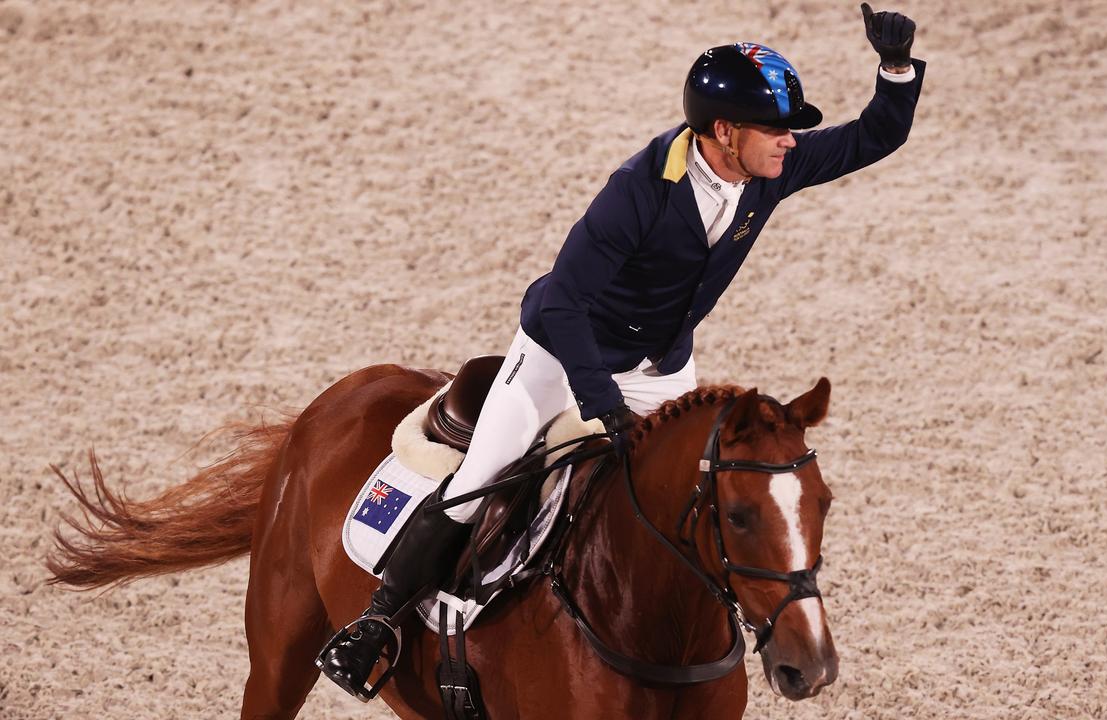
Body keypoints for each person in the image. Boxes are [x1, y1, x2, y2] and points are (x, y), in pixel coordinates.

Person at [320, 3, 925, 697]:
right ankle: (378, 623)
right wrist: (601, 404)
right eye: (776, 130)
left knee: (688, 494)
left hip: (663, 367)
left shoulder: (767, 170)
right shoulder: (637, 192)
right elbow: (561, 304)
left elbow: (874, 137)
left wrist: (896, 69)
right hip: (559, 355)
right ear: (725, 132)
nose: (790, 142)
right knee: (477, 481)